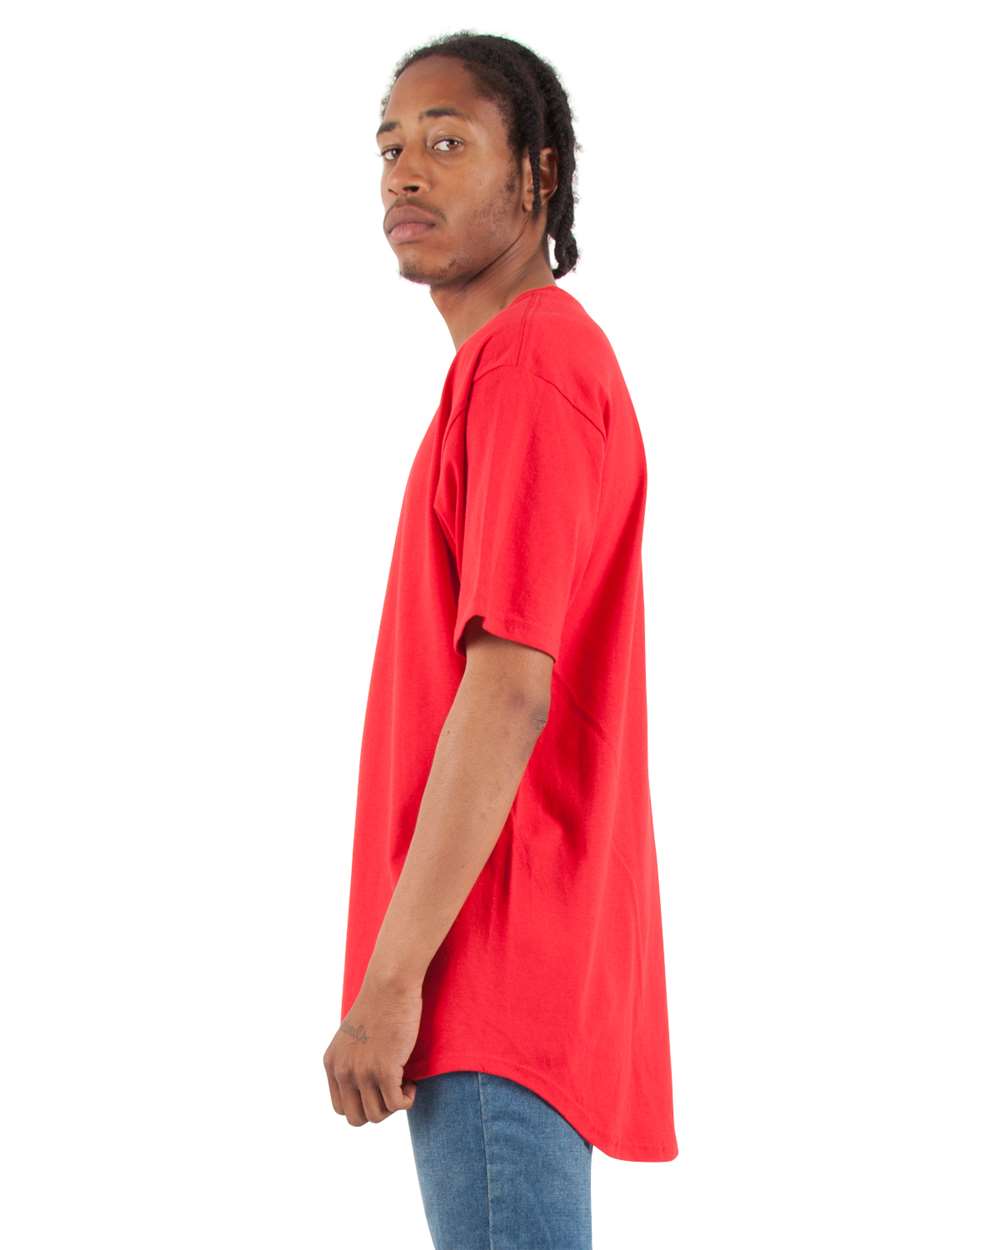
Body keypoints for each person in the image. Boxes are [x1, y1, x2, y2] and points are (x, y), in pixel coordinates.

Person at [323, 31, 678, 1249]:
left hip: (490, 963)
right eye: (389, 146)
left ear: (537, 174)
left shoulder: (527, 360)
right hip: (514, 967)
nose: (405, 171)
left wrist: (390, 978)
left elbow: (511, 688)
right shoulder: (515, 367)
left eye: (447, 140)